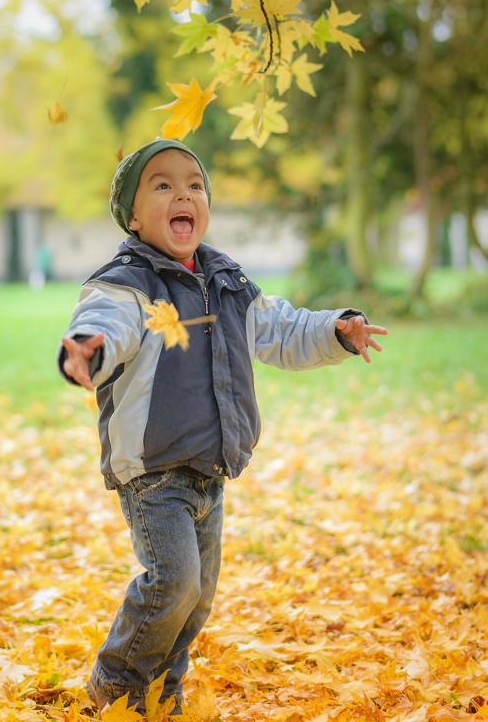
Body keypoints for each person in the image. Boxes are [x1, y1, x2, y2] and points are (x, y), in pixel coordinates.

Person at [57, 138, 387, 717]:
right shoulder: (128, 285)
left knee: (198, 599)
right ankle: (116, 679)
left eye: (194, 184)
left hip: (212, 467)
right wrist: (90, 351)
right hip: (154, 472)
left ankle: (163, 688)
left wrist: (335, 330)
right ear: (133, 217)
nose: (183, 193)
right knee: (174, 582)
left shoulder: (227, 281)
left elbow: (280, 329)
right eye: (162, 184)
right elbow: (106, 323)